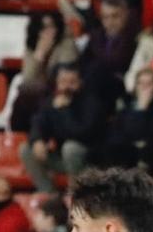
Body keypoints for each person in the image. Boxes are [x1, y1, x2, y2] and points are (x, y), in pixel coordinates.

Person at [21, 64, 100, 195]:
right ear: (56, 83)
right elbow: (39, 122)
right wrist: (37, 140)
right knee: (26, 149)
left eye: (72, 82)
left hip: (88, 159)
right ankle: (48, 193)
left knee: (70, 148)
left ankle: (77, 194)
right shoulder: (52, 101)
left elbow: (81, 133)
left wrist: (64, 110)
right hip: (63, 159)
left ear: (80, 82)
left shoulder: (91, 102)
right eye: (63, 82)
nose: (67, 87)